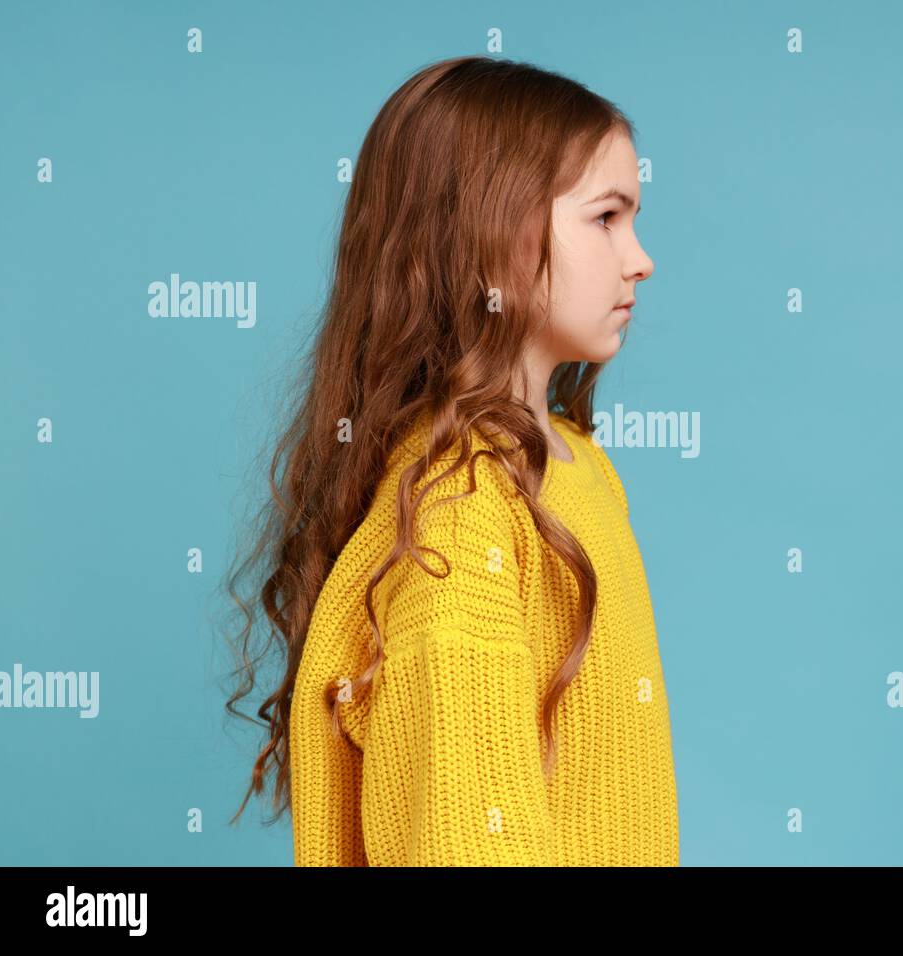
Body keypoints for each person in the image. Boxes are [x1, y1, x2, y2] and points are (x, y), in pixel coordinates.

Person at [223, 55, 679, 866]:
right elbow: (467, 840)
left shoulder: (578, 464)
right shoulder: (466, 511)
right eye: (606, 217)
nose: (640, 258)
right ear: (488, 230)